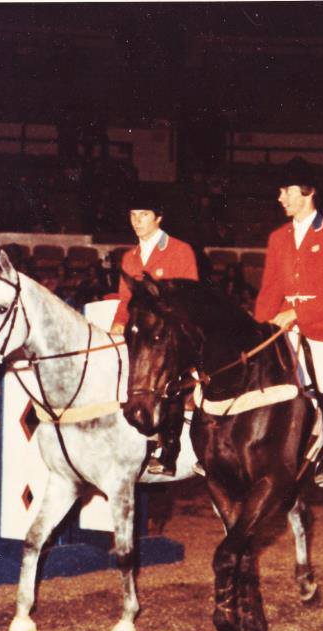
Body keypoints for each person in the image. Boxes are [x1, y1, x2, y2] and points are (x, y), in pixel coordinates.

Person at [254, 157, 323, 489]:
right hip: (282, 325)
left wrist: (299, 314)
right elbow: (270, 288)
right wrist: (258, 328)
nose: (280, 197)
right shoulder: (277, 238)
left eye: (286, 191)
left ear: (306, 192)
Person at [111, 192, 199, 476]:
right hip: (145, 334)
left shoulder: (180, 250)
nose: (137, 221)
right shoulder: (129, 257)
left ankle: (169, 449)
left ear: (158, 218)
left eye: (144, 215)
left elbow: (188, 296)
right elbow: (126, 301)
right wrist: (117, 323)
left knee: (168, 372)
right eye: (133, 215)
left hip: (174, 330)